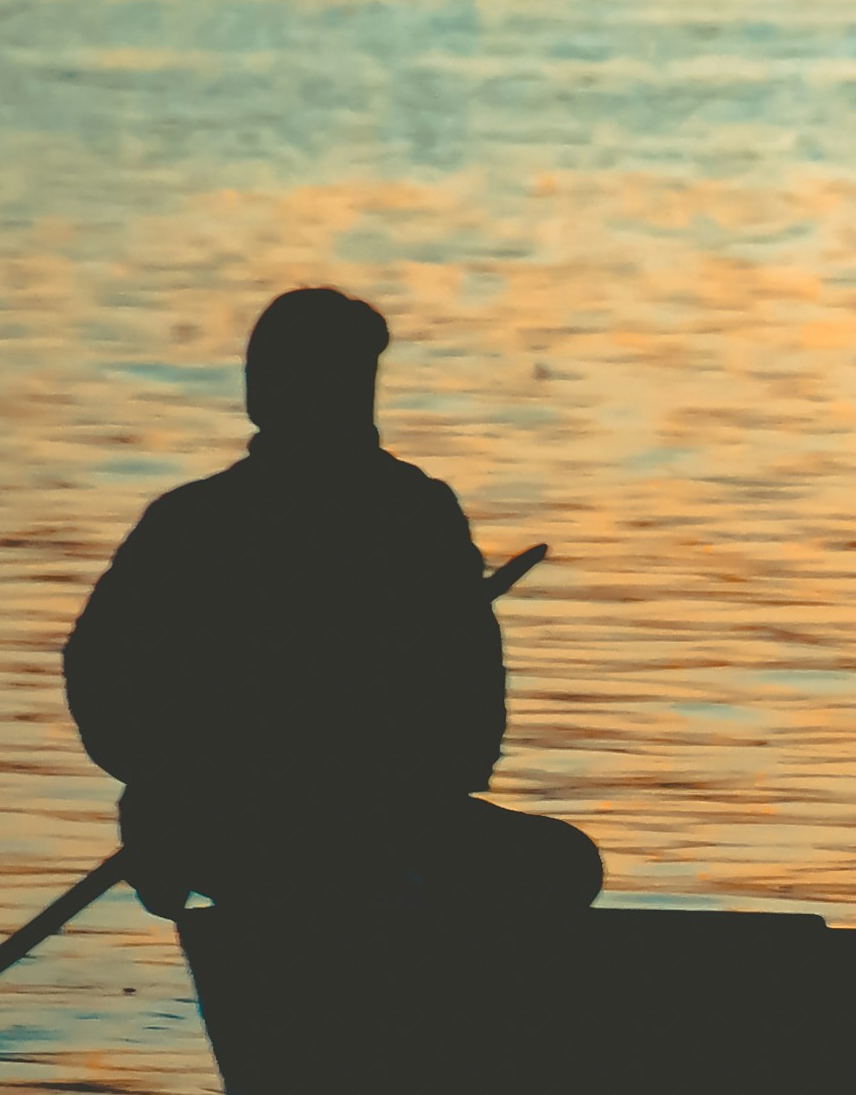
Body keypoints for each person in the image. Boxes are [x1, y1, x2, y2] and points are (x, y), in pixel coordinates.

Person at [63, 286, 601, 925]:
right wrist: (175, 783)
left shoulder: (412, 510)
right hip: (238, 821)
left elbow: (469, 689)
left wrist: (415, 783)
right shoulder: (201, 522)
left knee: (566, 862)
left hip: (384, 814)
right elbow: (103, 673)